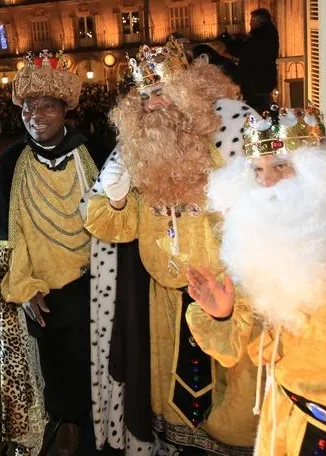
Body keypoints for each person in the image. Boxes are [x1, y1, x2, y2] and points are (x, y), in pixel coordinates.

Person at [85, 38, 259, 455]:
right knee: (174, 423)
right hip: (162, 307)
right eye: (145, 97)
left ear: (190, 92)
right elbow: (117, 227)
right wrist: (117, 199)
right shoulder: (140, 157)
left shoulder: (228, 151)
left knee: (230, 416)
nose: (154, 104)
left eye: (162, 91)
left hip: (225, 304)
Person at [186, 106, 326, 456]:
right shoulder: (262, 241)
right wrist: (223, 314)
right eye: (258, 170)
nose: (266, 181)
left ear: (318, 172)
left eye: (281, 167)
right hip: (282, 413)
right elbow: (237, 349)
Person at [0, 50, 116, 456]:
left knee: (102, 362)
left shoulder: (93, 153)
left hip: (95, 284)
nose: (36, 116)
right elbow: (8, 241)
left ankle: (102, 428)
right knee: (58, 369)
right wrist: (24, 286)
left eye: (47, 107)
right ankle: (67, 425)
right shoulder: (11, 164)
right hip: (45, 293)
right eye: (29, 107)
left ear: (64, 110)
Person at [215, 8, 279, 113]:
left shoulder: (261, 37)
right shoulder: (268, 35)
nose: (250, 23)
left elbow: (243, 51)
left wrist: (228, 43)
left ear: (258, 22)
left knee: (256, 111)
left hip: (256, 83)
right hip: (261, 82)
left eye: (251, 21)